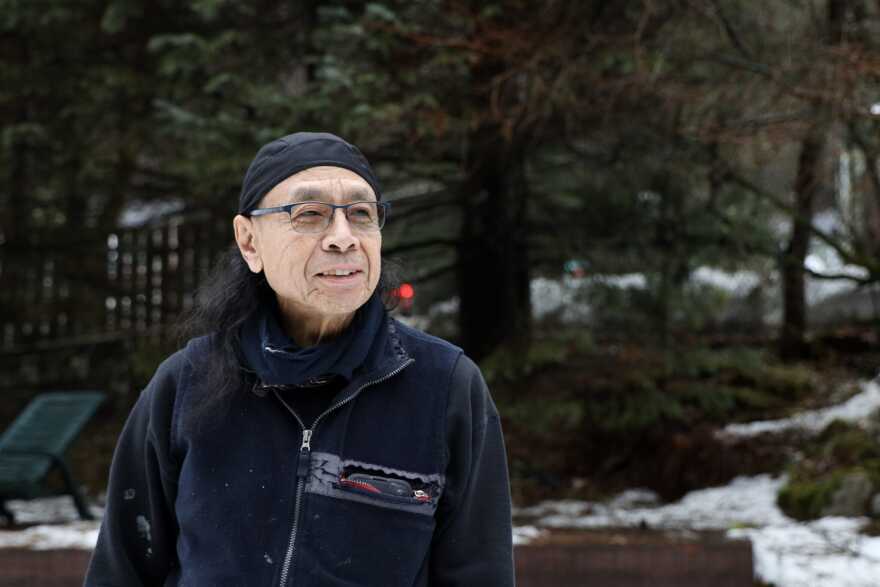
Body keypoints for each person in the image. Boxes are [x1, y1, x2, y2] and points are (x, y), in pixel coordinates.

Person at [84, 132, 515, 586]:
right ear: (249, 241)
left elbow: (480, 572)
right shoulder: (186, 383)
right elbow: (122, 569)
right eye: (309, 215)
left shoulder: (444, 385)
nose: (343, 238)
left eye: (361, 214)